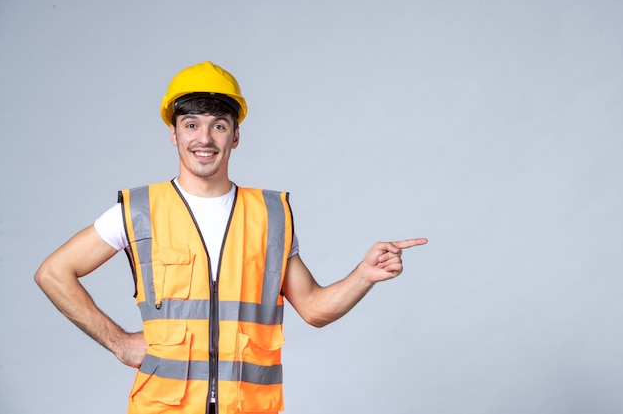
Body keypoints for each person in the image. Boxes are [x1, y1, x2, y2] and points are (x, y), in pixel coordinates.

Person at [34, 60, 428, 414]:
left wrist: (363, 275)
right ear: (174, 135)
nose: (204, 138)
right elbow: (53, 272)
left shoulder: (270, 216)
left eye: (218, 125)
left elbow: (314, 309)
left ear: (235, 136)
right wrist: (119, 342)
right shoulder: (139, 210)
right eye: (191, 125)